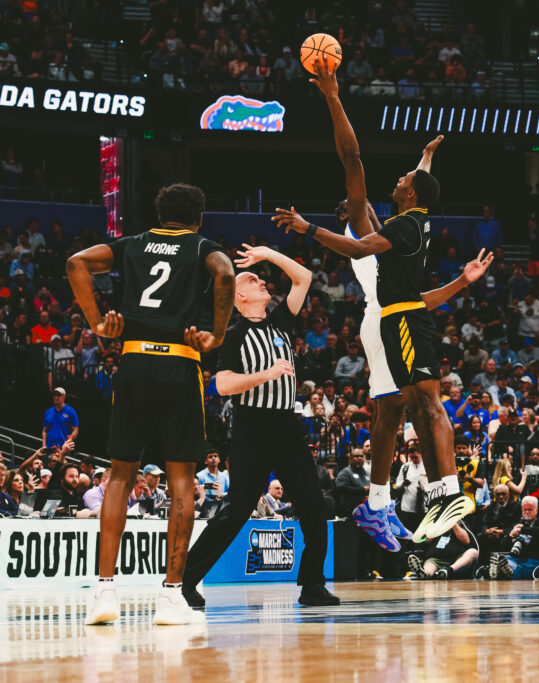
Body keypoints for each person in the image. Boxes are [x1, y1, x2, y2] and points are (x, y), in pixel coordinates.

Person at [272, 59, 493, 550]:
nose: (371, 201)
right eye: (363, 204)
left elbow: (418, 202)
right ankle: (414, 498)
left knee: (396, 411)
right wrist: (333, 97)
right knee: (409, 408)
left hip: (397, 316)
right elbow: (353, 160)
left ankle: (379, 503)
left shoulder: (401, 228)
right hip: (384, 322)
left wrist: (425, 161)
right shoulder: (367, 226)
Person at [67, 183, 235, 626]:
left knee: (120, 473)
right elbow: (225, 274)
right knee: (181, 478)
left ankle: (104, 591)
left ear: (160, 216)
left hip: (135, 361)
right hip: (180, 364)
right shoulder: (201, 247)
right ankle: (171, 596)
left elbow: (76, 262)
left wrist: (97, 323)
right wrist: (216, 334)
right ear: (199, 218)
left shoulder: (134, 244)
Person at [181, 243, 339, 609]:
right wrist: (266, 374)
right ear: (239, 297)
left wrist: (268, 254)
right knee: (236, 510)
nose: (262, 281)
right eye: (252, 280)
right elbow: (223, 385)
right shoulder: (233, 334)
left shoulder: (279, 321)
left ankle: (312, 584)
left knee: (314, 504)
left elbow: (304, 277)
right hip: (252, 428)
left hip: (287, 427)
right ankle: (184, 580)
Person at [489, 496, 539, 579]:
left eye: (530, 510)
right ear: (522, 511)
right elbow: (503, 546)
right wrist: (510, 536)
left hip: (535, 560)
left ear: (536, 510)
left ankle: (503, 572)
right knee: (504, 559)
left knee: (523, 568)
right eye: (525, 510)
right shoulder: (518, 524)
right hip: (516, 559)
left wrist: (522, 530)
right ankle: (503, 570)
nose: (527, 512)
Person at [407, 521, 478, 580]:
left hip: (456, 559)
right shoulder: (436, 524)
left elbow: (466, 541)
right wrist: (438, 525)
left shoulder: (462, 524)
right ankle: (424, 573)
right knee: (429, 566)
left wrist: (453, 523)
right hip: (436, 558)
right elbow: (427, 540)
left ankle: (448, 571)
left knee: (473, 552)